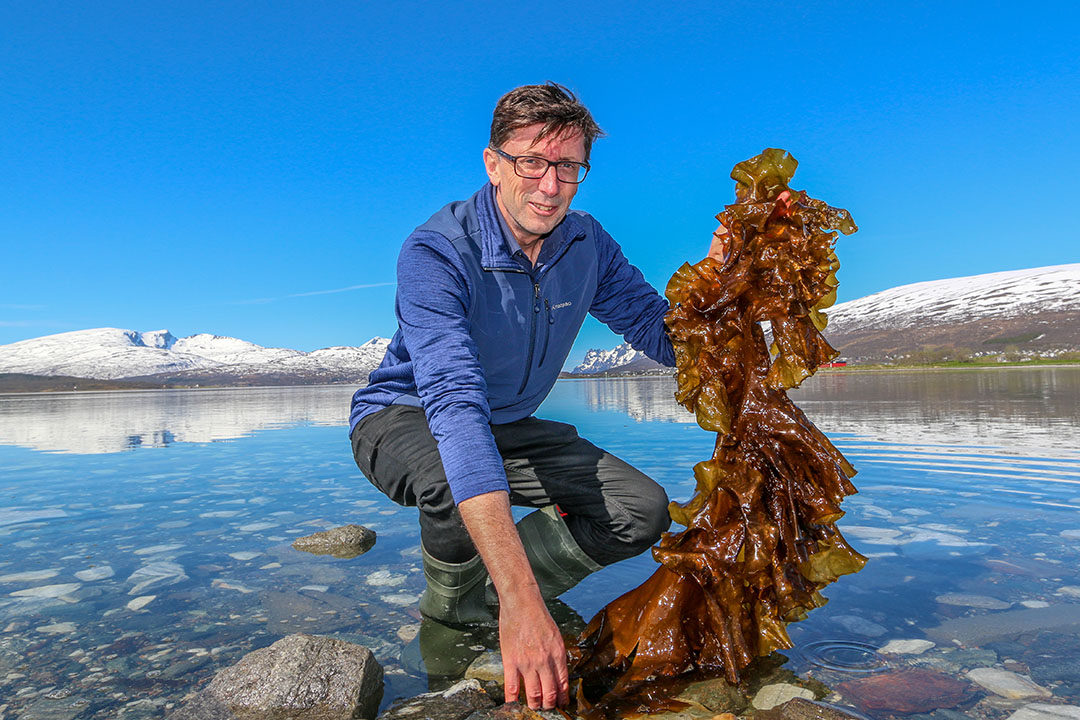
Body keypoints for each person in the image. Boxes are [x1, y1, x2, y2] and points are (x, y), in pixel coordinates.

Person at [349, 82, 726, 710]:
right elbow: (454, 407)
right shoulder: (437, 250)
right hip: (403, 417)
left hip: (503, 425)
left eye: (569, 168)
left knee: (642, 509)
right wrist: (529, 603)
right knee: (452, 468)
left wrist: (718, 293)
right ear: (494, 164)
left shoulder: (587, 245)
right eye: (532, 162)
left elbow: (662, 338)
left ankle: (495, 597)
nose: (550, 186)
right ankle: (452, 621)